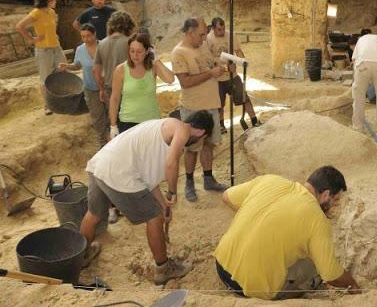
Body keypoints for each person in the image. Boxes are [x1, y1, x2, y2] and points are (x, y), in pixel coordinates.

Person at [79, 111, 213, 285]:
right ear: (202, 132)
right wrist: (172, 192)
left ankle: (81, 255)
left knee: (94, 214)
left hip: (101, 164)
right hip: (119, 173)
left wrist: (163, 203)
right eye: (203, 139)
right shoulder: (182, 130)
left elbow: (148, 180)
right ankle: (163, 269)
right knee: (154, 217)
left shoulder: (163, 127)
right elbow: (171, 164)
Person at [214, 166, 361, 300]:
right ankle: (291, 294)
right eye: (335, 200)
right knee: (315, 265)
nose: (335, 205)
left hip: (221, 267)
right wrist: (352, 284)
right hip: (250, 289)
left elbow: (226, 196)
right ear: (326, 195)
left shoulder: (270, 180)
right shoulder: (318, 220)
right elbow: (330, 275)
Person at [171, 18, 227, 201]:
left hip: (211, 104)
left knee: (209, 143)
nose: (204, 38)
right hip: (193, 108)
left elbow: (210, 64)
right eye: (201, 34)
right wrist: (211, 74)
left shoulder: (202, 46)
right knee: (192, 148)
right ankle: (189, 182)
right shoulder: (179, 53)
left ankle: (208, 178)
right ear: (190, 33)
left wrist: (221, 67)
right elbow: (185, 82)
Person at [109, 32, 174, 136]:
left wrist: (157, 61)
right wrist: (113, 126)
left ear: (148, 51)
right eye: (132, 51)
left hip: (151, 121)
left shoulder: (153, 67)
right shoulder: (120, 70)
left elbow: (170, 79)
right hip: (128, 122)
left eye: (139, 51)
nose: (135, 55)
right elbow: (115, 98)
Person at [206, 17, 261, 133]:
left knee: (244, 97)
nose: (222, 32)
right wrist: (220, 66)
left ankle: (254, 120)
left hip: (233, 75)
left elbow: (238, 51)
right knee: (219, 104)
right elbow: (207, 59)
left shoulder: (230, 35)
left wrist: (242, 61)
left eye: (223, 28)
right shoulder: (208, 39)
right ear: (213, 29)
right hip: (218, 78)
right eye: (219, 30)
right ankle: (221, 125)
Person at [15, 0, 66, 115]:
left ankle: (59, 99)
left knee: (63, 70)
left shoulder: (52, 12)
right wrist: (31, 39)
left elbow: (52, 28)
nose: (56, 1)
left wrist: (55, 36)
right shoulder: (36, 13)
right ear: (49, 1)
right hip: (44, 50)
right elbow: (19, 26)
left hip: (56, 47)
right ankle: (47, 105)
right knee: (45, 77)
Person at [58, 23, 109, 145]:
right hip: (90, 88)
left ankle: (116, 137)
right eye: (83, 37)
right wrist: (67, 66)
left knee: (112, 113)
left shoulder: (104, 46)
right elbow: (77, 65)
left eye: (89, 36)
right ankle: (103, 141)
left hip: (108, 86)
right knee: (97, 116)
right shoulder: (80, 49)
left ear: (95, 34)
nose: (86, 39)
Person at [93, 11, 136, 127]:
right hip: (129, 89)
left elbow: (96, 70)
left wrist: (101, 89)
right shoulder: (130, 43)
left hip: (109, 89)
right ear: (128, 25)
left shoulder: (101, 44)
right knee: (131, 124)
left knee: (114, 122)